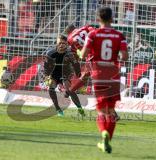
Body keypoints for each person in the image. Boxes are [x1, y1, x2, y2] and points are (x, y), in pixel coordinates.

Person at [80, 7, 128, 153]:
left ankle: (103, 133)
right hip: (113, 73)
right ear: (112, 19)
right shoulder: (119, 35)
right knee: (111, 110)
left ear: (98, 19)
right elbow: (124, 57)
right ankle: (106, 139)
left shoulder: (93, 34)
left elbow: (83, 55)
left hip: (99, 74)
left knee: (101, 111)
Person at [43, 34, 85, 117]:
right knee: (51, 89)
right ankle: (58, 110)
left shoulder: (70, 54)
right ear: (57, 43)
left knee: (70, 90)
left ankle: (80, 108)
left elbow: (76, 66)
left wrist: (79, 78)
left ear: (67, 44)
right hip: (53, 74)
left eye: (63, 43)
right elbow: (46, 66)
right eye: (60, 43)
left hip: (65, 74)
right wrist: (46, 76)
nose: (61, 45)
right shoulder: (50, 53)